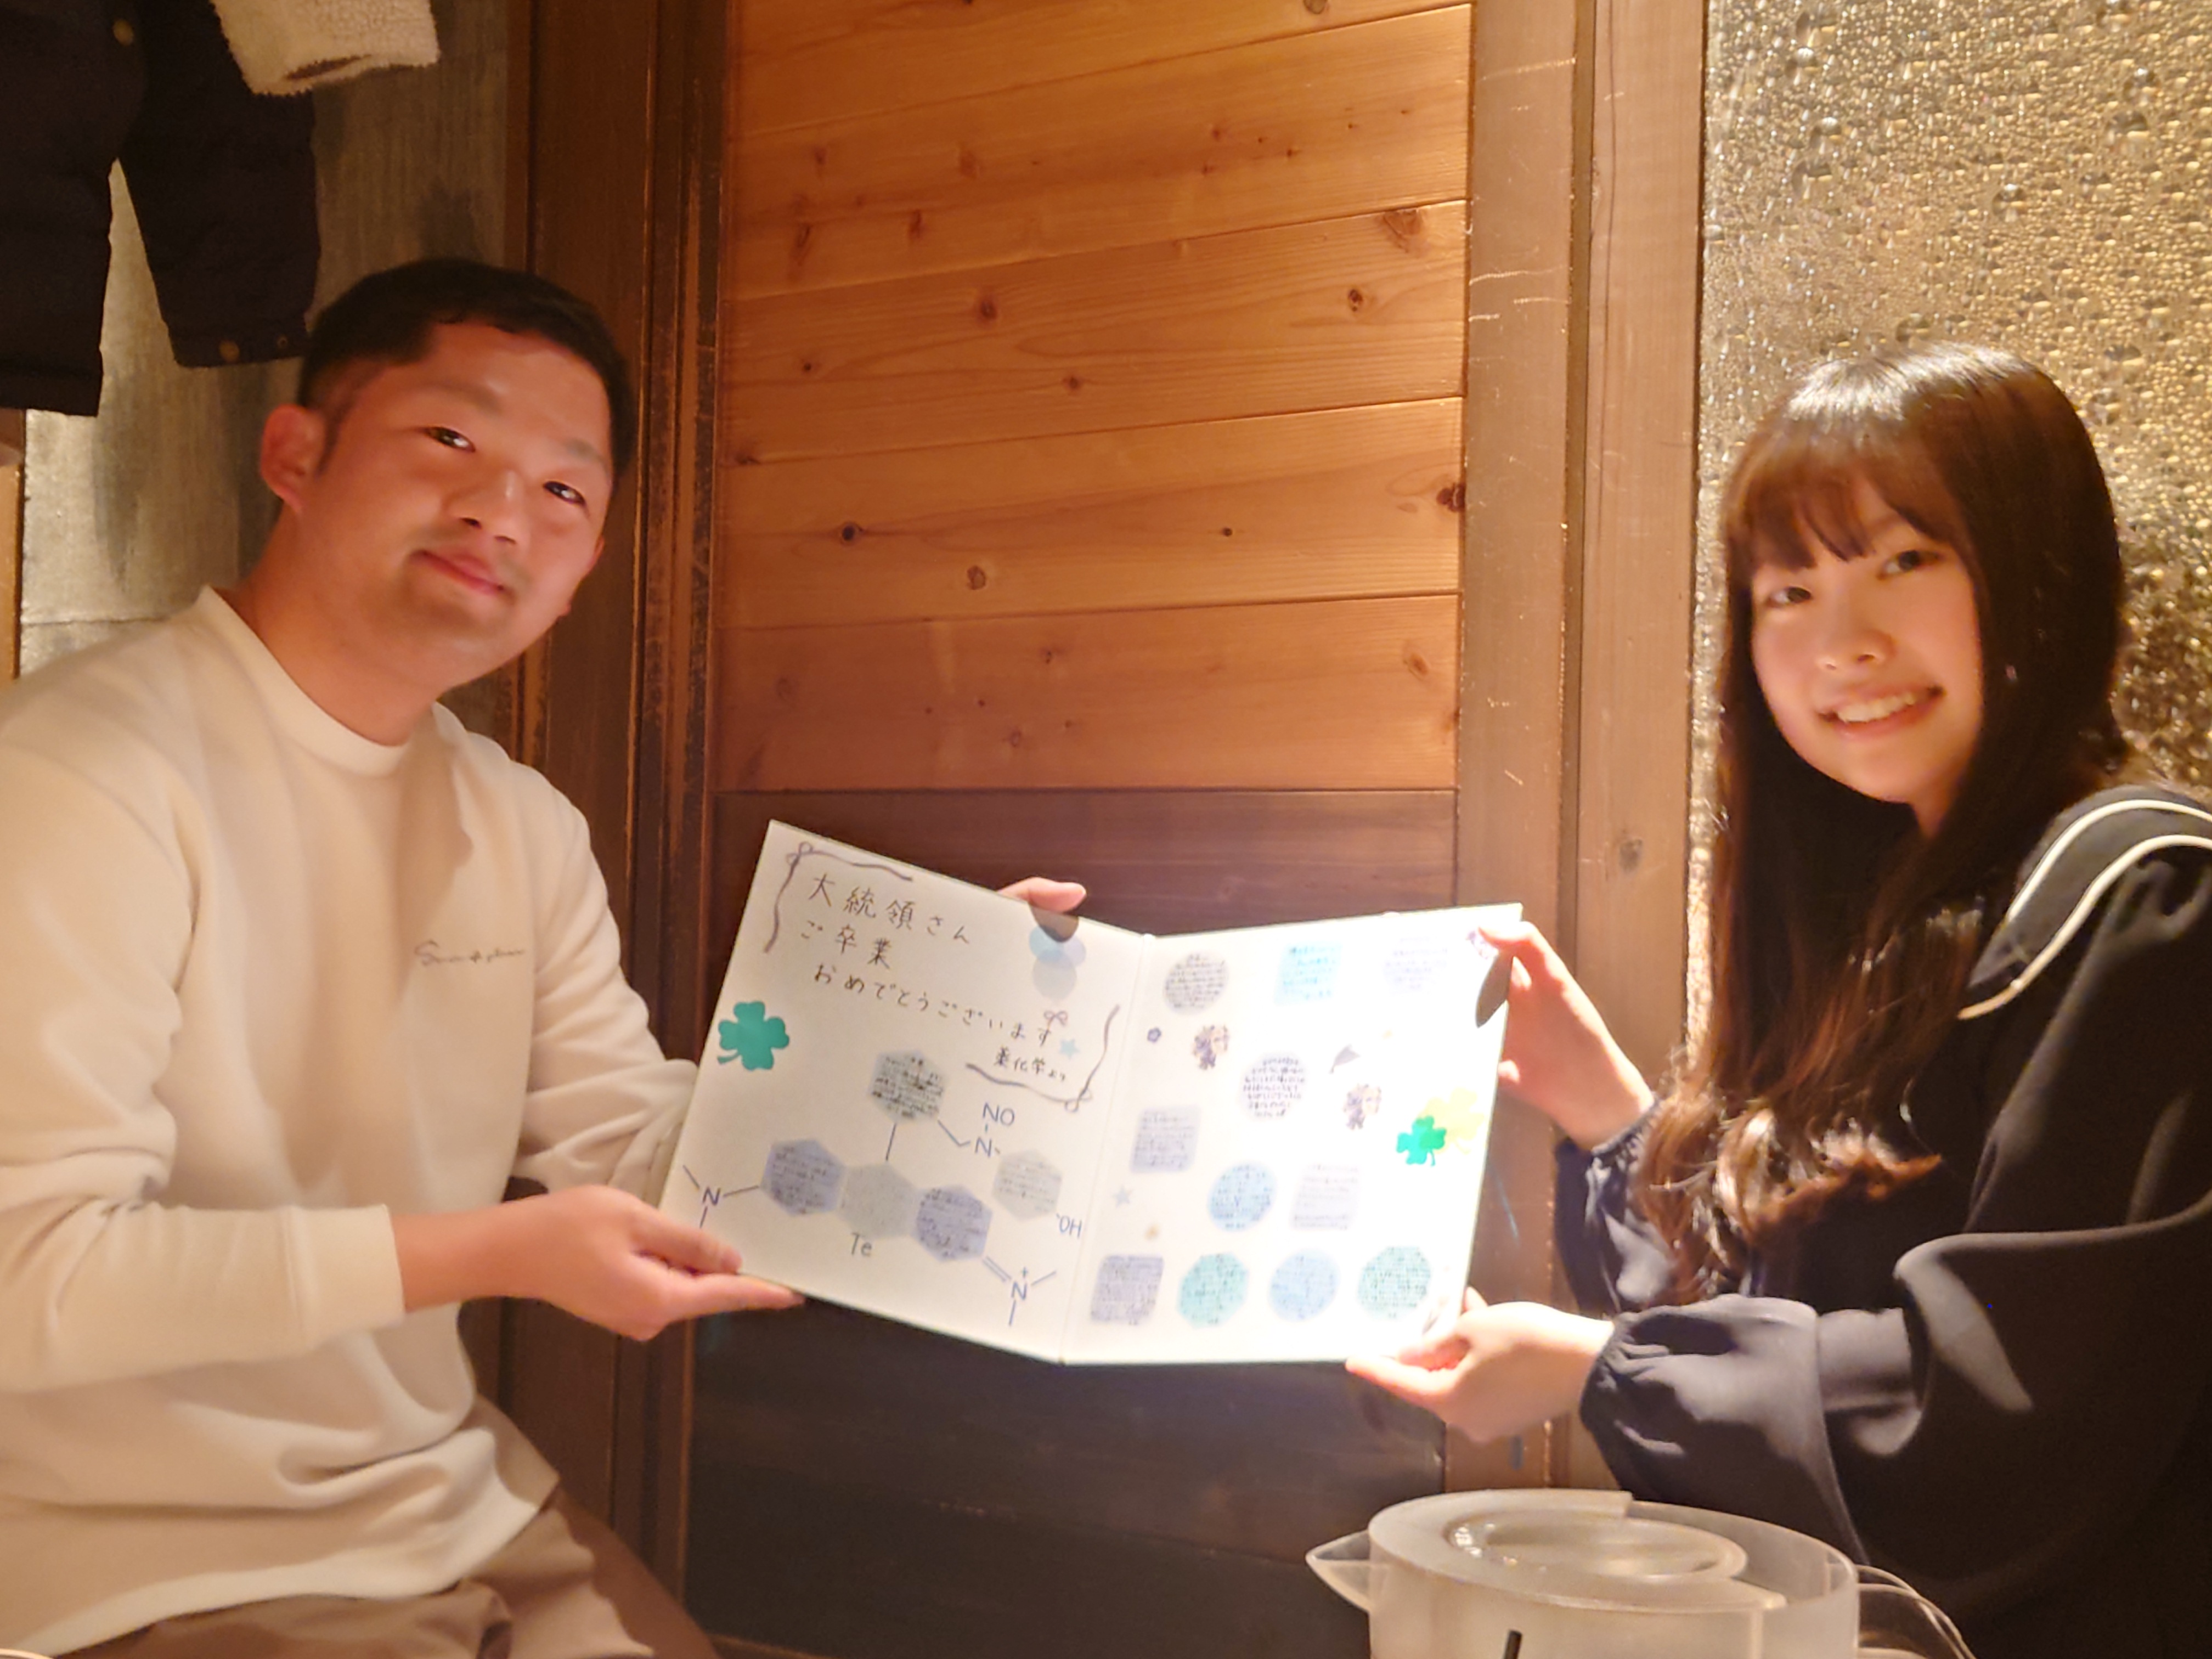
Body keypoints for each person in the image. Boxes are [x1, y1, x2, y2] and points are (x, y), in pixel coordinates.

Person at [0, 257, 1080, 1658]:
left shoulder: (516, 820)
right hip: (131, 1563)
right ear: (296, 455)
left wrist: (920, 1038)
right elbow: (30, 1274)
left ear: (582, 573)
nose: (501, 512)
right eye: (451, 437)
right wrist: (497, 1253)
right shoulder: (80, 772)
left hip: (451, 1505)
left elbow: (630, 1144)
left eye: (565, 491)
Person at [1347, 343, 2212, 1659]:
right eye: (1789, 590)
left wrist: (1595, 1371)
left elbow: (2009, 1410)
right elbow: (1781, 1303)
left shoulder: (2146, 897)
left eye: (1905, 561)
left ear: (2040, 571)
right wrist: (1606, 1114)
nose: (1841, 644)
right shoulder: (1888, 916)